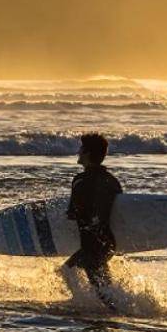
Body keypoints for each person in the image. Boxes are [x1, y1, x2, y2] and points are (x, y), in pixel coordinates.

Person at [62, 132, 122, 308]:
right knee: (103, 288)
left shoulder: (80, 180)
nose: (78, 152)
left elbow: (73, 212)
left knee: (67, 271)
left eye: (81, 149)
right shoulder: (112, 180)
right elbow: (119, 210)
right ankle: (119, 308)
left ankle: (83, 305)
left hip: (91, 243)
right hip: (108, 242)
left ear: (87, 154)